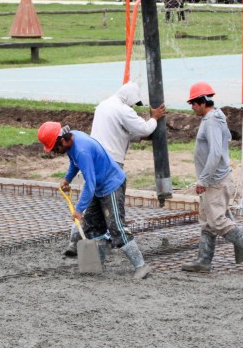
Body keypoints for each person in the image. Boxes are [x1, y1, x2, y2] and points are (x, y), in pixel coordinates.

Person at [62, 82, 165, 257]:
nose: (133, 106)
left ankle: (75, 241)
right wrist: (154, 118)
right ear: (130, 99)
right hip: (112, 165)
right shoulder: (123, 109)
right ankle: (118, 244)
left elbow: (121, 132)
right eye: (133, 103)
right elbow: (143, 128)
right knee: (111, 209)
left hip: (92, 160)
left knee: (90, 207)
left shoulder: (103, 106)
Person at [38, 121, 152, 280]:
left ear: (63, 140)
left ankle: (141, 266)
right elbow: (74, 163)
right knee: (92, 227)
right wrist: (67, 179)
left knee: (116, 227)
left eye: (55, 148)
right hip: (99, 186)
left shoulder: (82, 150)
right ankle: (98, 266)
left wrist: (78, 209)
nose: (55, 152)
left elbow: (89, 186)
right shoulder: (72, 142)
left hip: (111, 185)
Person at [181, 81, 243, 273]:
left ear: (202, 102)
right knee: (208, 221)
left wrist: (204, 179)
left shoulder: (211, 121)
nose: (192, 107)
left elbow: (215, 153)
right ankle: (203, 261)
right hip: (215, 179)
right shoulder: (216, 118)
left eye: (193, 103)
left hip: (215, 181)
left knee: (217, 221)